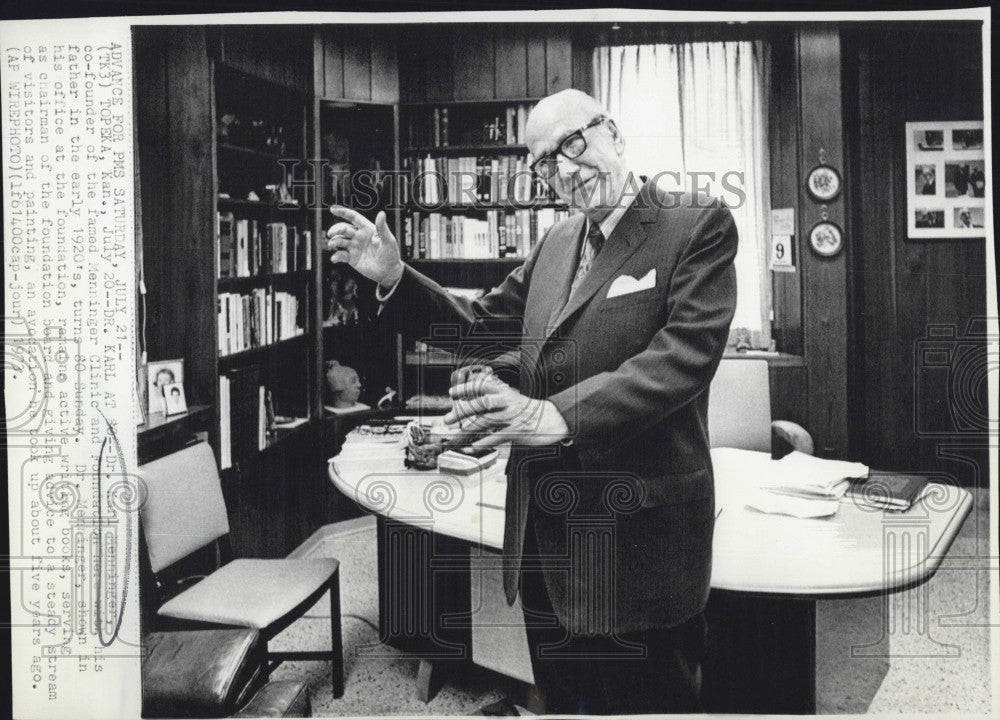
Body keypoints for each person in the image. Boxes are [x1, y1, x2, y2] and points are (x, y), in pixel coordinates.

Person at [326, 89, 738, 715]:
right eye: (544, 162)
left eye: (573, 144)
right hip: (545, 544)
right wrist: (395, 277)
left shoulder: (695, 221)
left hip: (638, 548)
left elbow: (681, 358)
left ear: (614, 134)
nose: (563, 170)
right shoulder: (556, 243)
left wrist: (554, 416)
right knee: (564, 700)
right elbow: (480, 325)